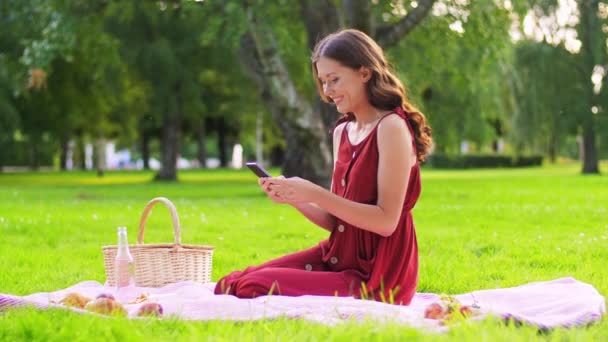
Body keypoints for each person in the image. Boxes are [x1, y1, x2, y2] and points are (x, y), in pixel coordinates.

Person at [214, 29, 432, 305]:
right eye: (323, 82)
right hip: (339, 257)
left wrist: (314, 192)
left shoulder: (391, 127)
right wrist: (295, 198)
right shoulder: (343, 131)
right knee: (232, 282)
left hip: (378, 275)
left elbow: (386, 222)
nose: (327, 92)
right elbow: (336, 223)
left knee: (253, 286)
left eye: (334, 80)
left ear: (364, 73)